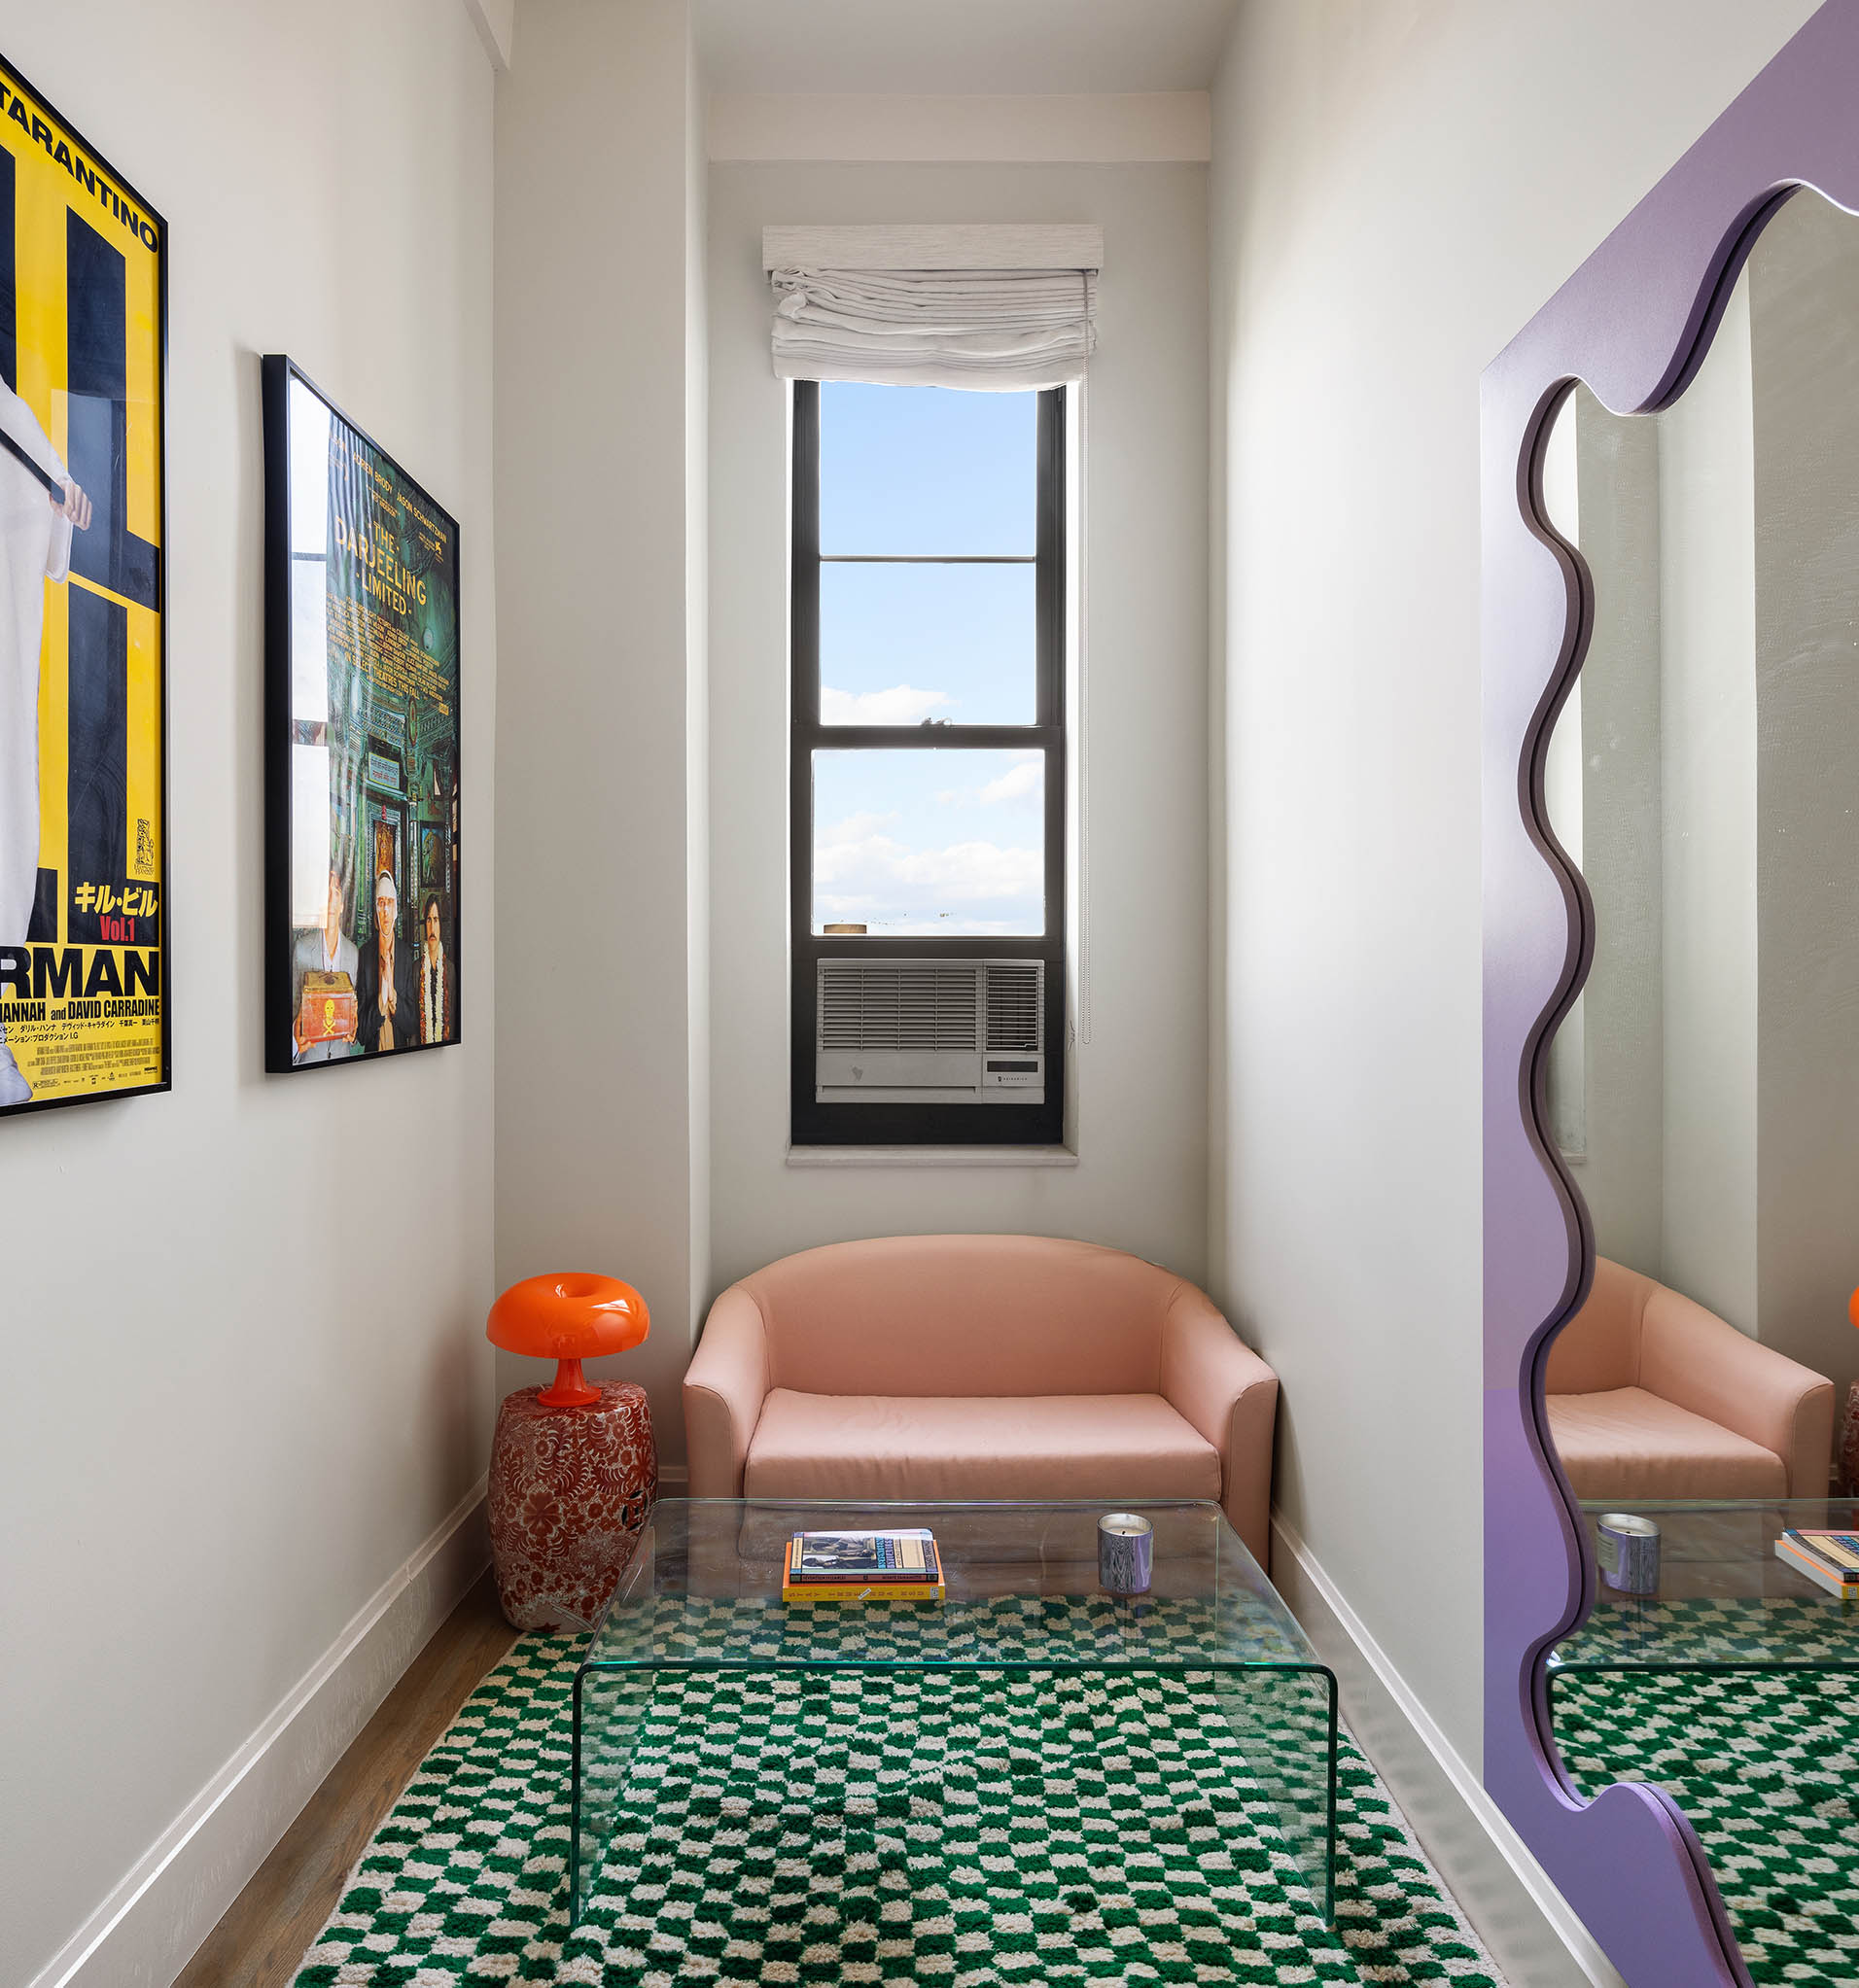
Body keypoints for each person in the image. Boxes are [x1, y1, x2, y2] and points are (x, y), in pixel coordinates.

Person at [0, 382, 91, 1107]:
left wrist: (64, 495)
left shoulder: (16, 421)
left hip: (9, 701)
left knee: (13, 818)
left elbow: (65, 513)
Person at [291, 865, 361, 1064]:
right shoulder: (302, 948)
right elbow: (293, 1009)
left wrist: (353, 1031)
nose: (330, 899)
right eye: (325, 893)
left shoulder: (353, 953)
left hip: (341, 1062)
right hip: (309, 1061)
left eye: (335, 892)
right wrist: (296, 1036)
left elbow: (352, 1012)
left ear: (342, 905)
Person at [354, 868, 417, 1054]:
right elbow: (362, 1033)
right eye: (381, 903)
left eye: (390, 902)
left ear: (396, 908)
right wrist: (381, 999)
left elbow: (411, 1026)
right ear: (376, 908)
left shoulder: (405, 955)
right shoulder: (365, 954)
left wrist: (392, 997)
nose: (386, 911)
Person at [417, 892, 454, 1045]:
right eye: (429, 920)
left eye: (436, 920)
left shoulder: (450, 970)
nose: (432, 927)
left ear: (441, 925)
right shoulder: (416, 970)